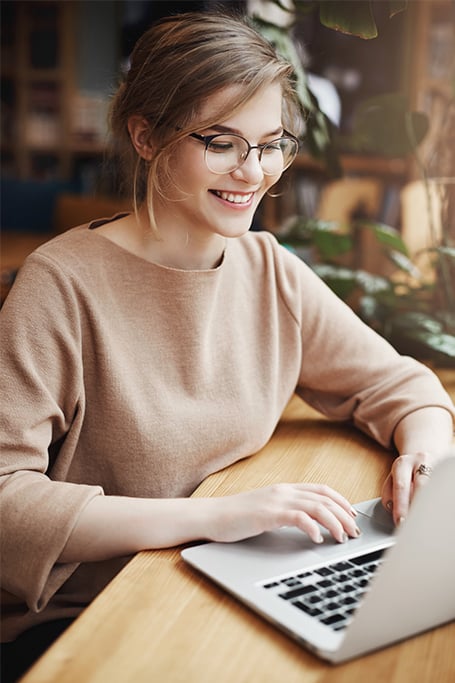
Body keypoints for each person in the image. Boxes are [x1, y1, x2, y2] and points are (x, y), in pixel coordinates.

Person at [1, 11, 454, 681]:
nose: (254, 171)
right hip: (89, 616)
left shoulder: (267, 268)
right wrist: (215, 516)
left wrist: (425, 458)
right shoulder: (59, 285)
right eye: (221, 141)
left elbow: (399, 384)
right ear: (145, 136)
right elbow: (7, 501)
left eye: (271, 143)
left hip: (225, 578)